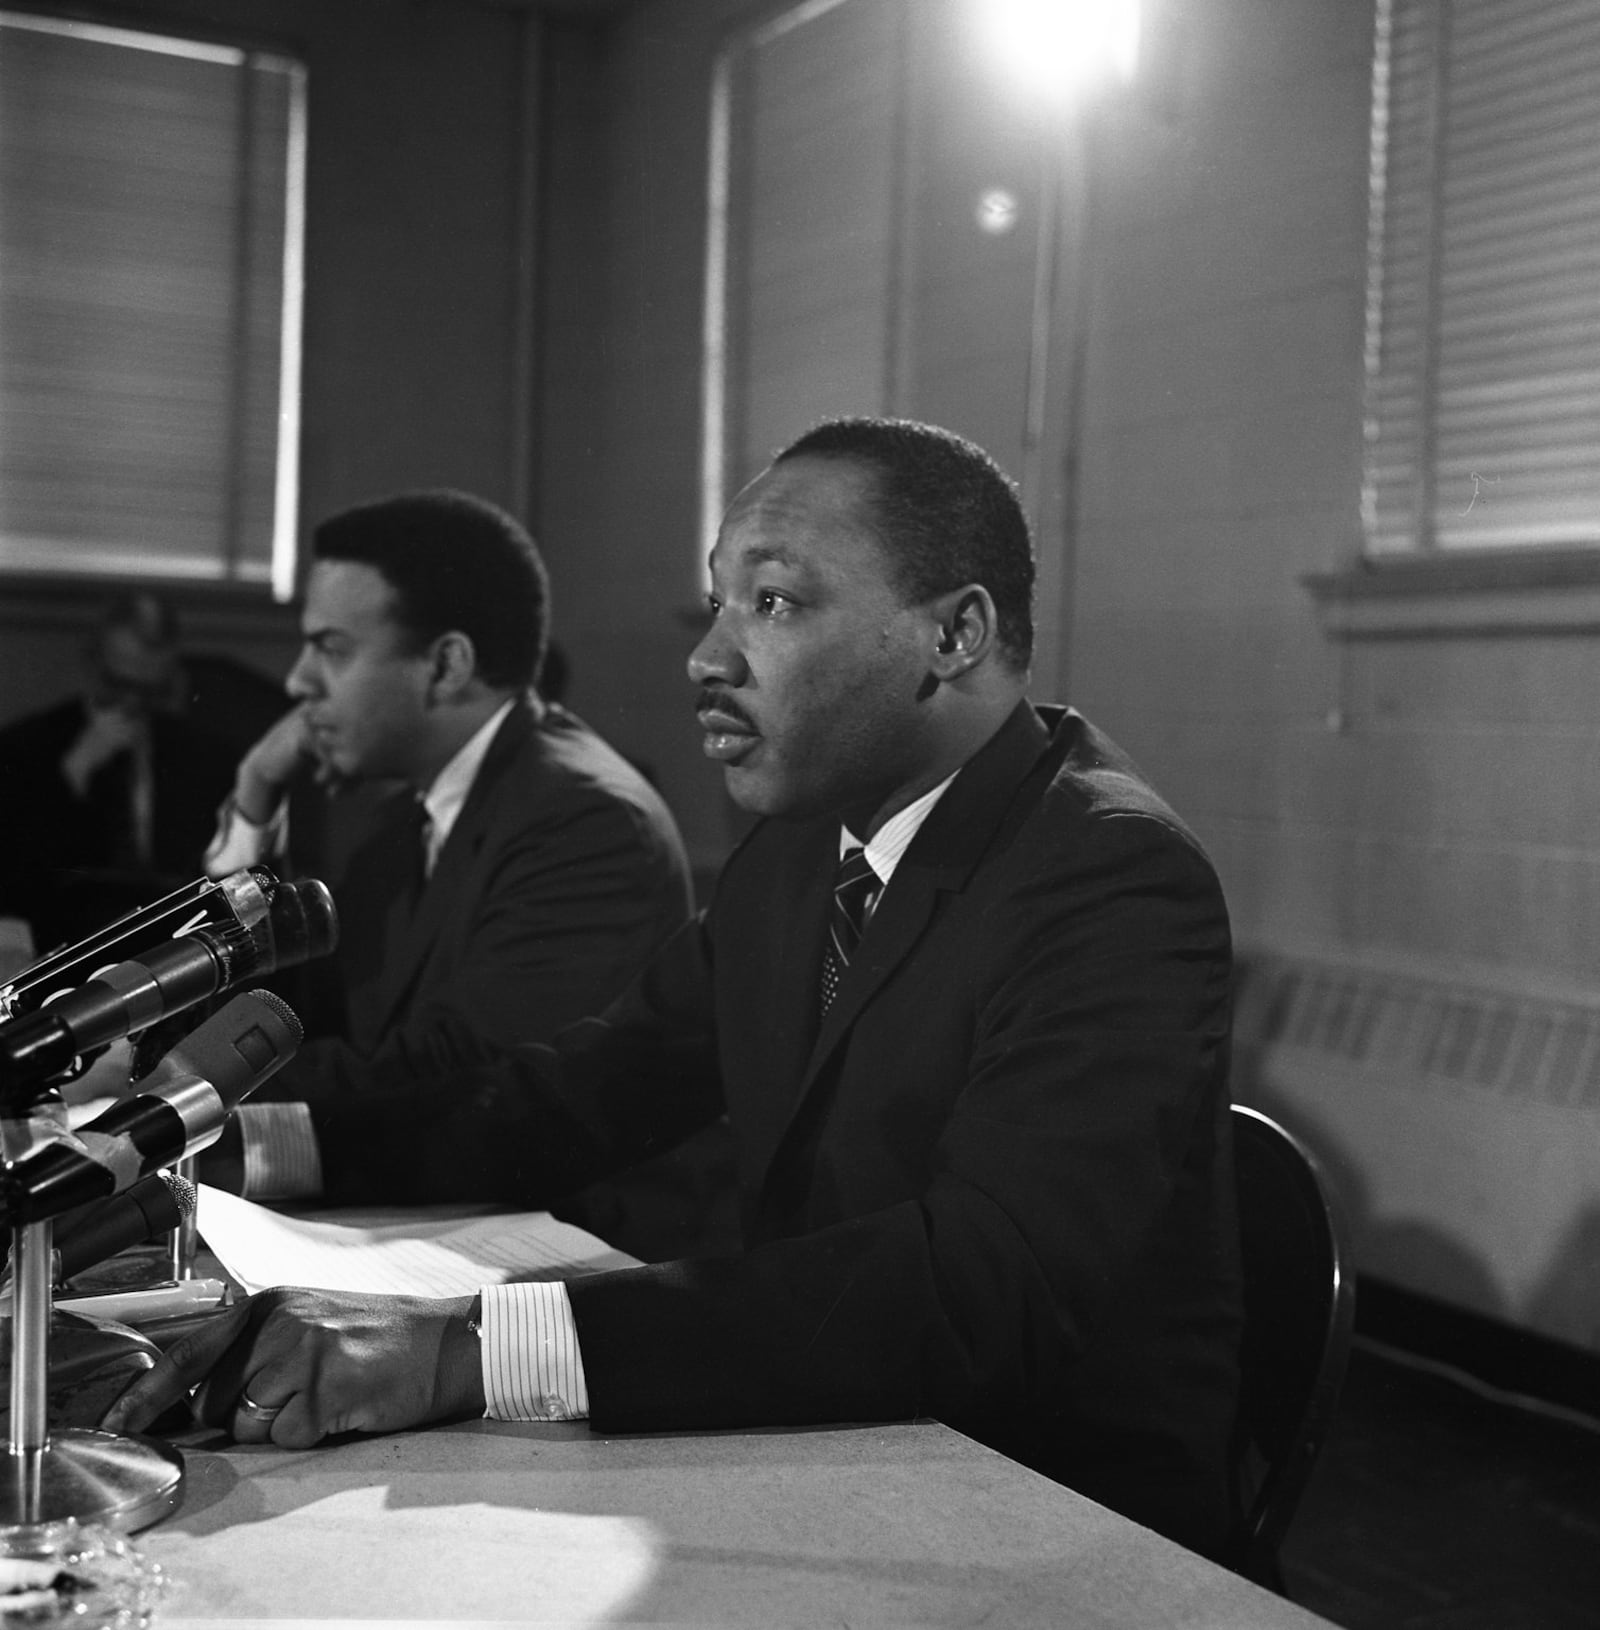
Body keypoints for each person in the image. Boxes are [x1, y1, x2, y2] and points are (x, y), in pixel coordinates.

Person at [107, 421, 1243, 1560]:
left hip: (1050, 1529)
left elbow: (982, 1283)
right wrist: (228, 1141)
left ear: (954, 632)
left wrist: (465, 1345)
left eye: (776, 604)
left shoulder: (1110, 875)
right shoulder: (805, 853)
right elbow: (575, 1094)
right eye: (715, 603)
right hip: (837, 1454)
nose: (708, 656)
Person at [199, 488, 694, 1202]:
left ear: (446, 666)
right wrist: (254, 796)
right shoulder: (401, 817)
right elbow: (303, 1017)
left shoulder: (589, 823)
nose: (297, 680)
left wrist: (179, 1090)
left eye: (331, 649)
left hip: (539, 1253)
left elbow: (445, 1072)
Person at [0, 591, 238, 954]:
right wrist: (73, 774)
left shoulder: (204, 755)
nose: (131, 703)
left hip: (171, 939)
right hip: (65, 944)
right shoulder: (27, 747)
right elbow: (17, 880)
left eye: (148, 692)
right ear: (93, 665)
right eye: (119, 685)